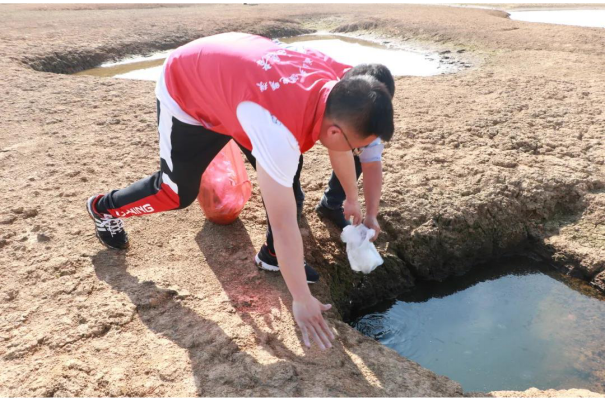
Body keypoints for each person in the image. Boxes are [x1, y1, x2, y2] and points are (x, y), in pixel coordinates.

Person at [86, 32, 394, 350]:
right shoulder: (278, 132)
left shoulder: (344, 88)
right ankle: (103, 208)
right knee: (175, 192)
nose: (357, 153)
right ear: (335, 131)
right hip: (190, 90)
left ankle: (272, 256)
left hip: (241, 92)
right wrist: (301, 298)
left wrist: (353, 200)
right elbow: (284, 222)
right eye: (356, 148)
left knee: (286, 179)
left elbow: (340, 147)